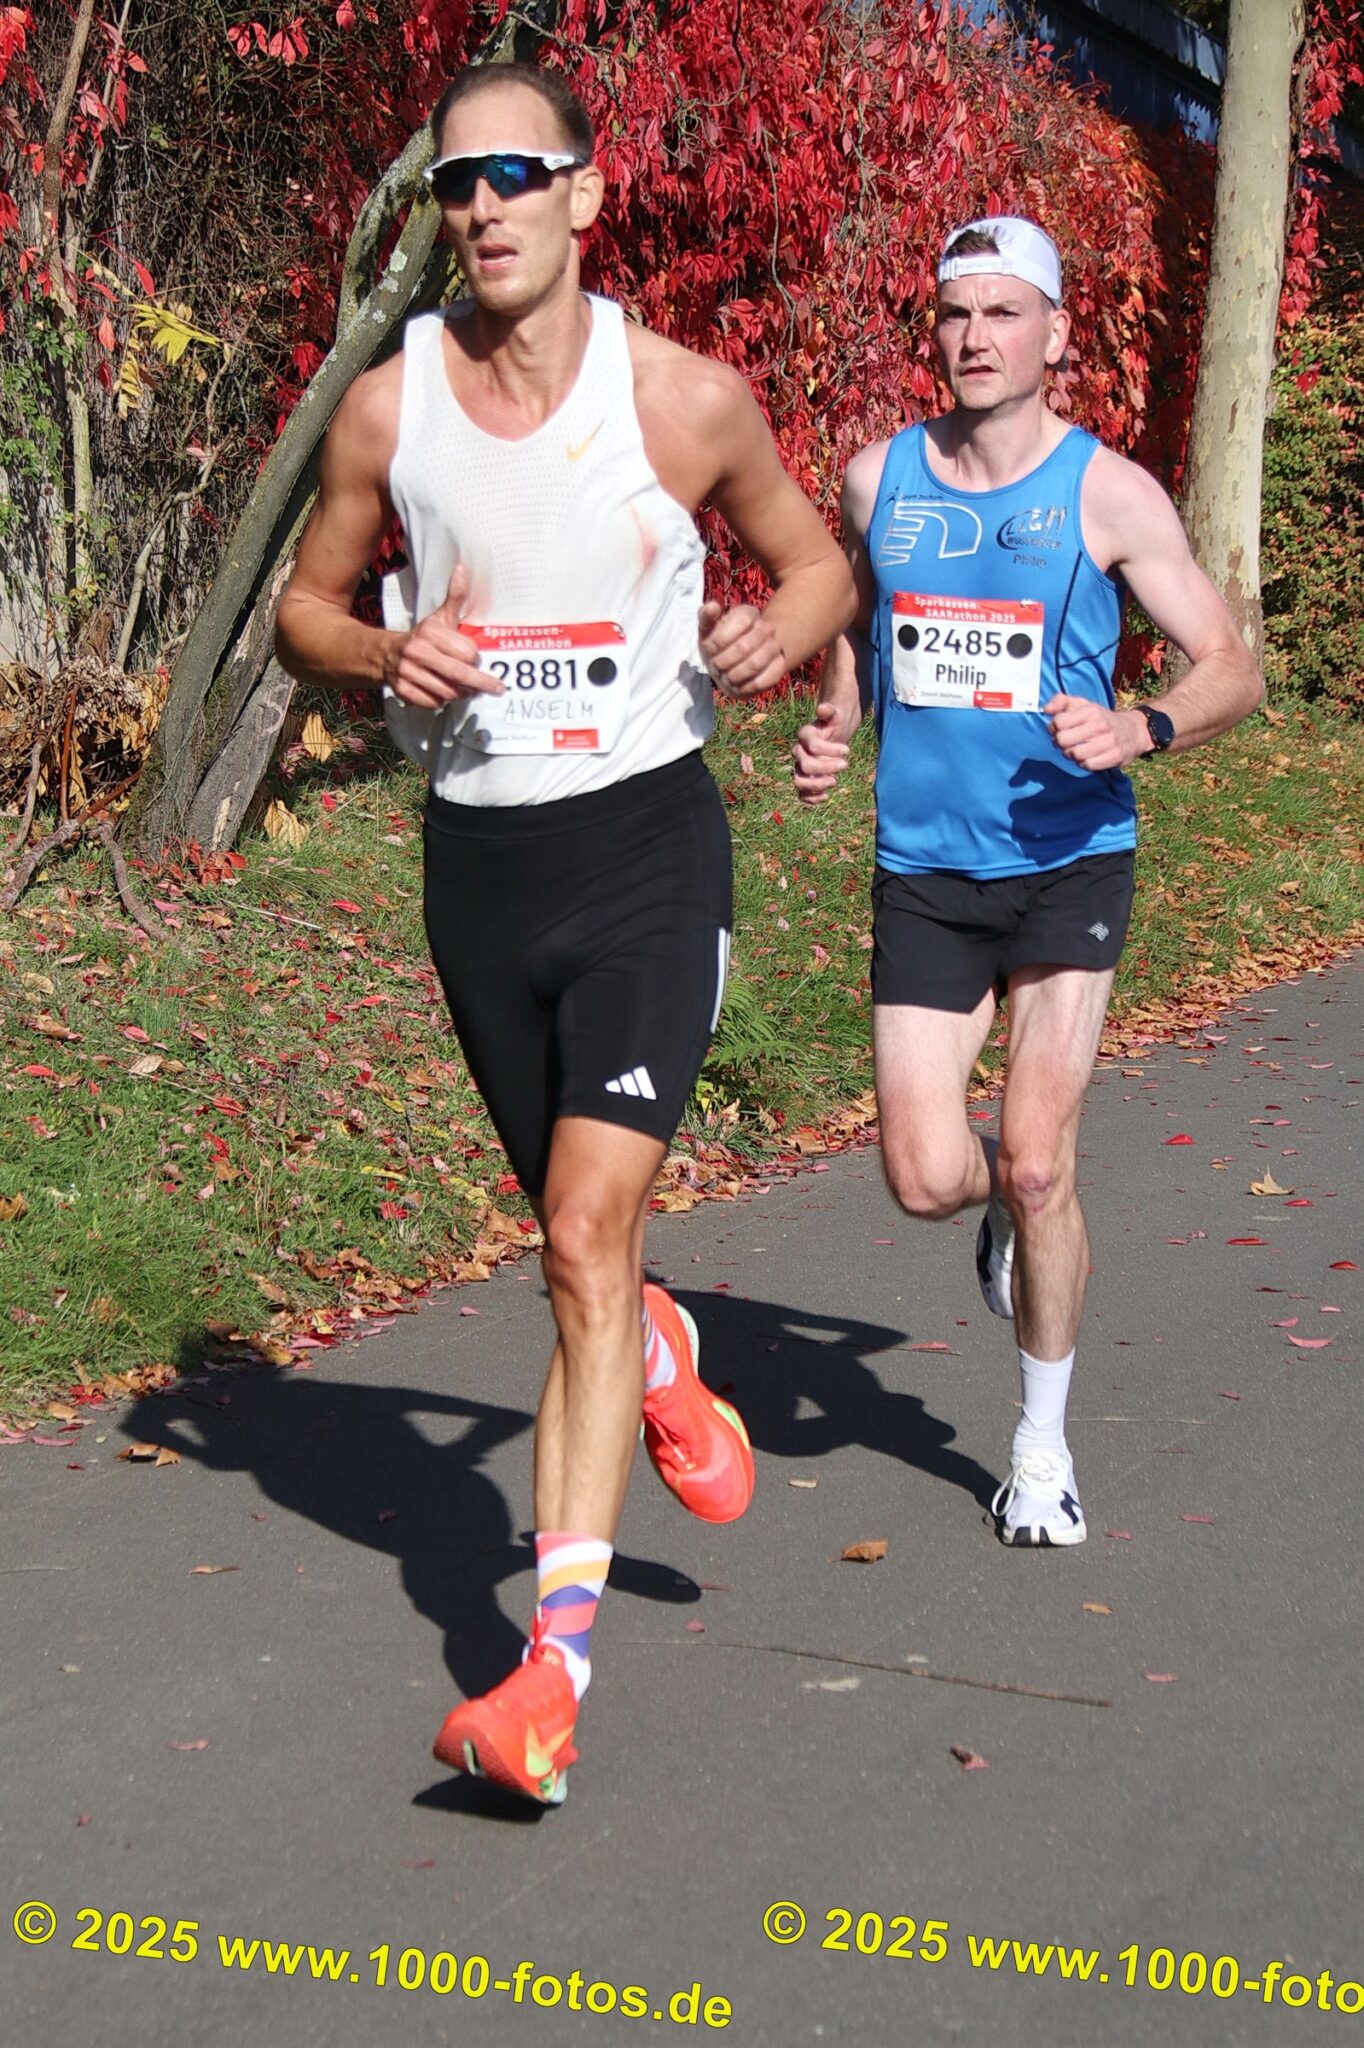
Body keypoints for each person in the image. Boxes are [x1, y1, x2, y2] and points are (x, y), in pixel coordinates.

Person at [276, 61, 854, 1803]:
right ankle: (660, 1354)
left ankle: (549, 1678)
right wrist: (384, 654)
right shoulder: (390, 409)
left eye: (516, 174)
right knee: (580, 1244)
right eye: (456, 184)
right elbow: (305, 607)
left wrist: (780, 637)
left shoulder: (685, 401)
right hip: (480, 870)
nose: (484, 207)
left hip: (646, 854)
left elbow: (816, 565)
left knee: (586, 1237)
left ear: (587, 196)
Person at [793, 215, 1262, 1548]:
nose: (976, 336)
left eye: (1005, 313)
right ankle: (997, 1201)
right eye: (957, 313)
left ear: (1055, 335)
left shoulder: (1108, 495)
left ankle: (1040, 1451)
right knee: (923, 1172)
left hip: (1068, 860)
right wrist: (838, 717)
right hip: (926, 867)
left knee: (1045, 1163)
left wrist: (1141, 728)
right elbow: (863, 621)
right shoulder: (879, 479)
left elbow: (1233, 665)